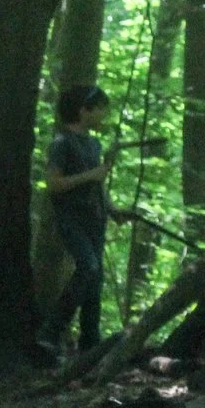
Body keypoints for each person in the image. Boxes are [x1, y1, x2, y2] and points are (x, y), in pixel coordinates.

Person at [40, 84, 133, 359]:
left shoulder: (93, 143)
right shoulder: (62, 143)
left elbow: (98, 184)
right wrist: (92, 175)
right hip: (71, 218)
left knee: (96, 279)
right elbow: (54, 184)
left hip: (95, 218)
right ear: (84, 110)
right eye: (100, 108)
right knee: (88, 267)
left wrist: (113, 209)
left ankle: (90, 343)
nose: (104, 114)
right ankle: (51, 331)